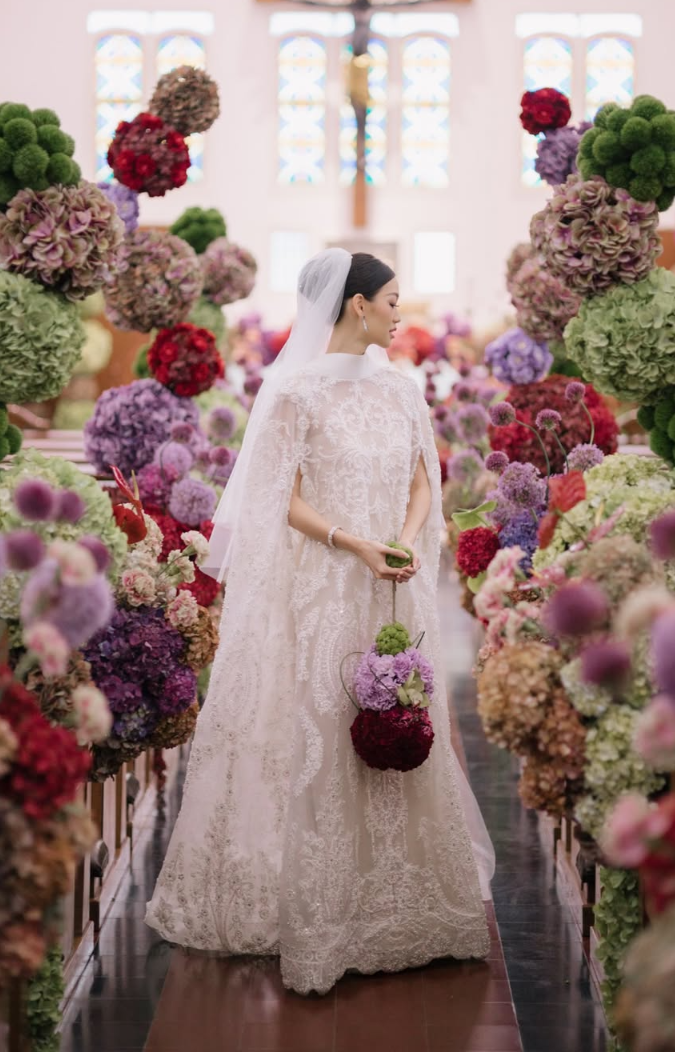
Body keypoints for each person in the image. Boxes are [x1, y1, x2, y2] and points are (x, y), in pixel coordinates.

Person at [146, 249, 495, 995]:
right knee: (321, 729)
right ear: (356, 305)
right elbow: (282, 500)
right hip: (326, 586)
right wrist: (354, 543)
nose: (403, 313)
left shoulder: (403, 393)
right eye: (393, 299)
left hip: (388, 585)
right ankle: (319, 908)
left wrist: (398, 537)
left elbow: (423, 480)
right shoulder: (296, 393)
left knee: (396, 715)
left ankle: (400, 902)